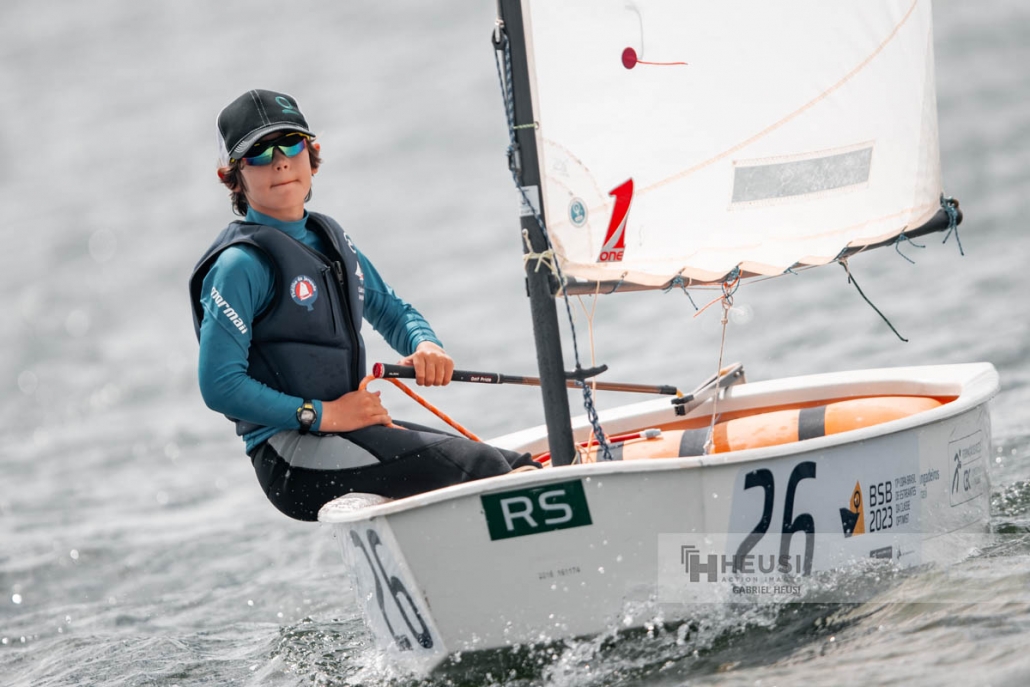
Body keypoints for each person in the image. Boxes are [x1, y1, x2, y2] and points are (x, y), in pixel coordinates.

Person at [190, 89, 537, 521]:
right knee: (484, 468)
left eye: (291, 144)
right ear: (232, 175)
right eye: (259, 152)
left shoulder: (329, 239)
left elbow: (390, 310)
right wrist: (324, 414)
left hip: (347, 431)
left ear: (312, 154)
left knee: (512, 464)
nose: (280, 161)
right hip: (291, 458)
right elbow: (219, 385)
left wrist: (425, 345)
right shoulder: (239, 265)